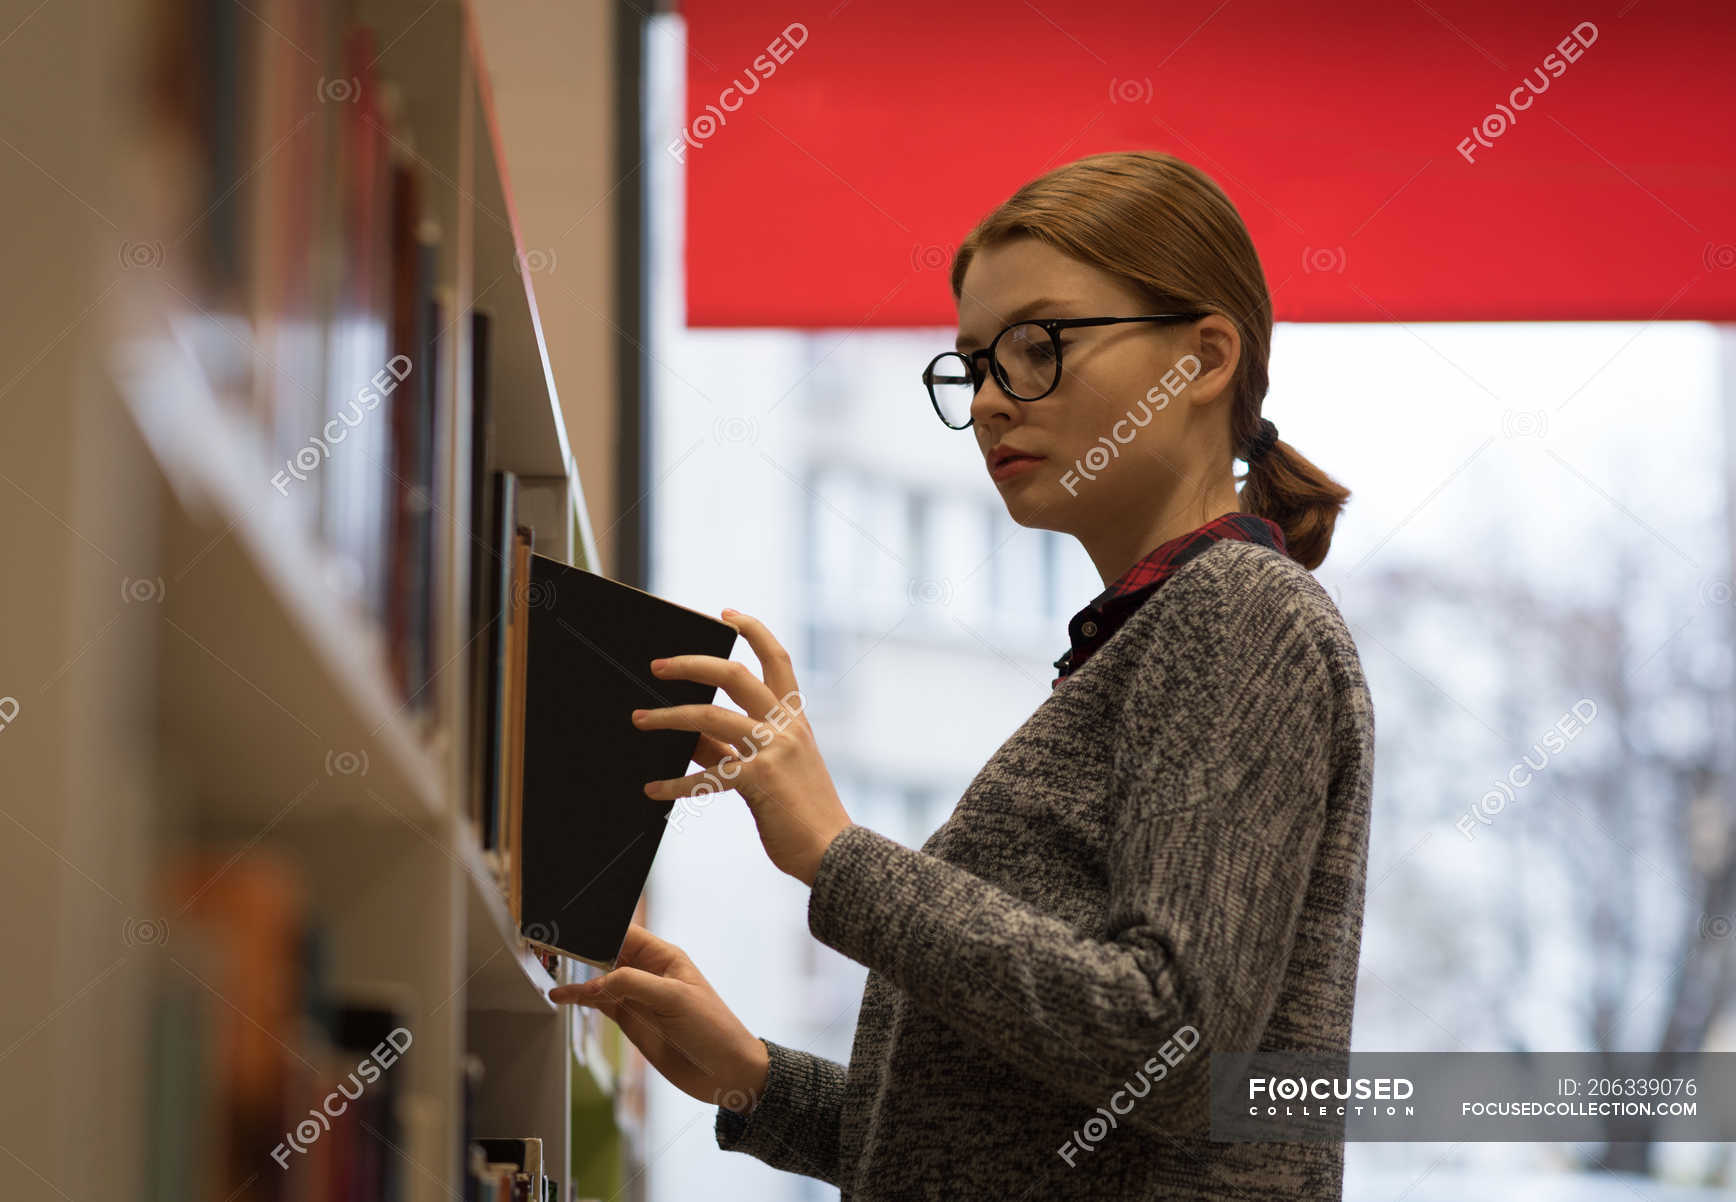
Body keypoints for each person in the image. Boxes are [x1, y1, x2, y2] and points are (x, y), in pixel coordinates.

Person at [549, 149, 1375, 1199]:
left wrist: (836, 854)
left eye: (1037, 346)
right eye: (973, 364)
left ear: (1206, 356)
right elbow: (1009, 1148)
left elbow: (1170, 1045)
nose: (990, 400)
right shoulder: (1149, 636)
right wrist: (756, 1078)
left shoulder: (1239, 612)